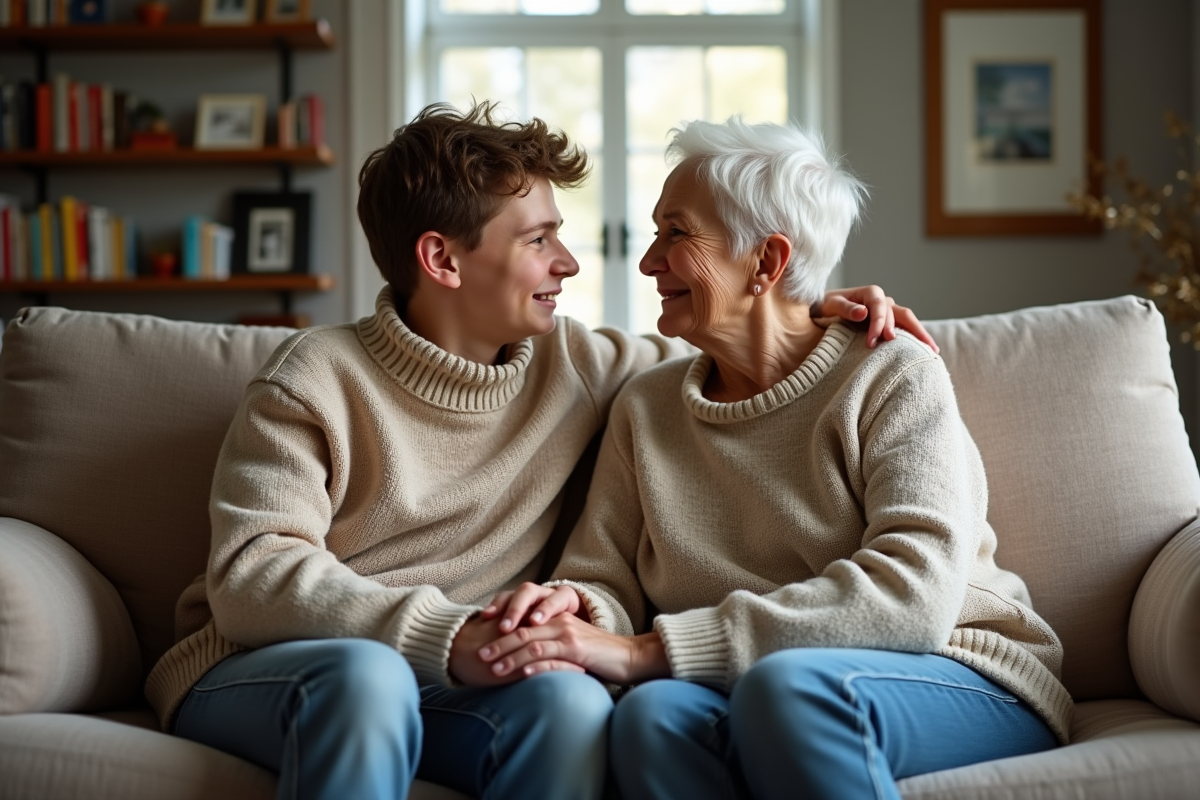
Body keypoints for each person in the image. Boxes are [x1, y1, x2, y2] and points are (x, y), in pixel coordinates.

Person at [143, 101, 933, 800]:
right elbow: (253, 575)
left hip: (472, 673)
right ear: (442, 260)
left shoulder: (584, 368)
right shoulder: (313, 377)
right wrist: (447, 636)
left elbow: (739, 357)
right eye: (540, 239)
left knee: (571, 702)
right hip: (281, 664)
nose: (569, 262)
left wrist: (811, 310)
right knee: (368, 677)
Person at [479, 117, 1071, 800]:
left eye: (676, 234)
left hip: (959, 671)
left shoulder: (890, 374)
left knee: (788, 690)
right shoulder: (646, 407)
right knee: (650, 718)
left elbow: (914, 595)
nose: (648, 262)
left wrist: (648, 651)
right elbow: (603, 575)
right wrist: (578, 607)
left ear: (765, 262)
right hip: (752, 684)